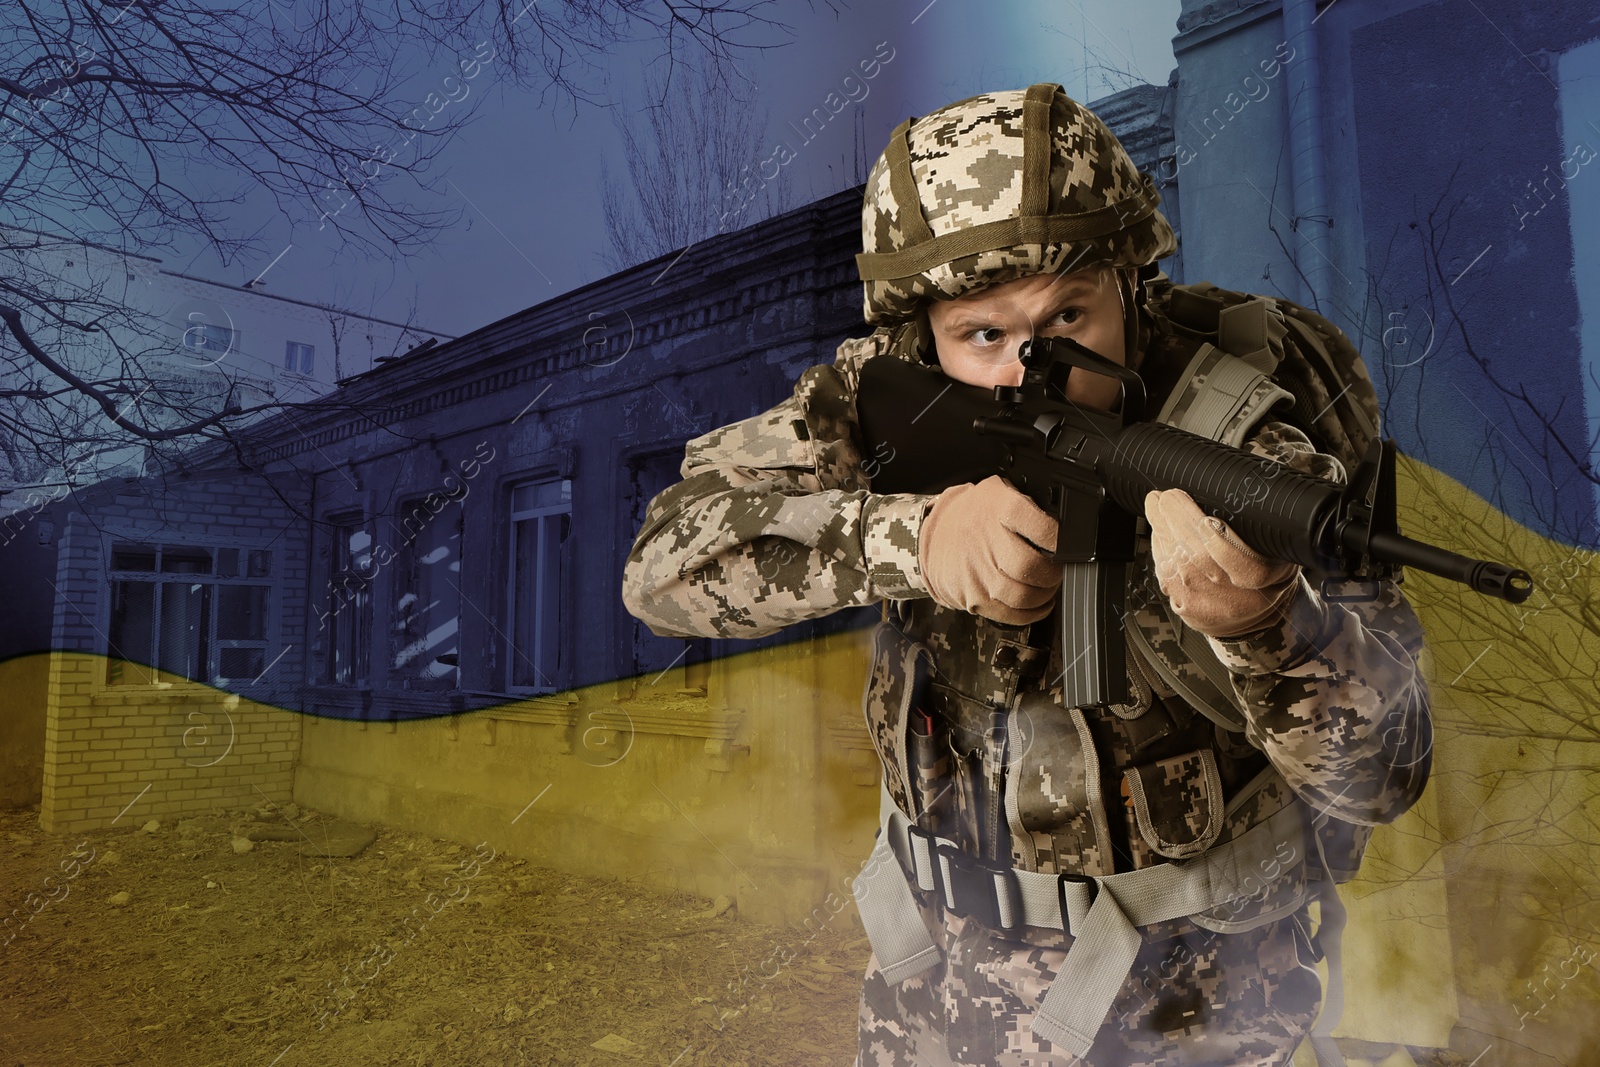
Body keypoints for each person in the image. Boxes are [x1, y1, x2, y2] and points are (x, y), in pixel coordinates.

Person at [622, 84, 1431, 1067]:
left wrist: (1267, 629)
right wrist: (909, 539)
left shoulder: (1251, 434)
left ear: (1132, 283)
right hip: (934, 979)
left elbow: (1387, 773)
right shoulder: (874, 401)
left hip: (1197, 1005)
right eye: (983, 336)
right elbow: (660, 569)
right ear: (920, 333)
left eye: (1067, 318)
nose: (1027, 371)